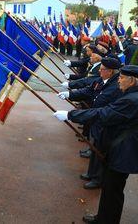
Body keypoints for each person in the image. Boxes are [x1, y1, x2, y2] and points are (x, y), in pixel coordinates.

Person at [53, 65, 138, 224]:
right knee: (110, 188)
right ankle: (104, 218)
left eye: (122, 77)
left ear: (132, 80)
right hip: (120, 147)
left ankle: (107, 220)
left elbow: (104, 113)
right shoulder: (130, 95)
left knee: (112, 190)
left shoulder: (131, 100)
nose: (118, 79)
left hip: (123, 151)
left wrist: (70, 115)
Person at [58, 57, 123, 190]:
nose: (99, 70)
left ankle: (98, 178)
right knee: (95, 147)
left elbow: (105, 107)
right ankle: (92, 173)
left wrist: (71, 115)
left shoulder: (115, 87)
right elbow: (88, 90)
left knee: (101, 150)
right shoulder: (102, 80)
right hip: (97, 119)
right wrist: (70, 94)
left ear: (110, 71)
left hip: (105, 122)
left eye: (103, 69)